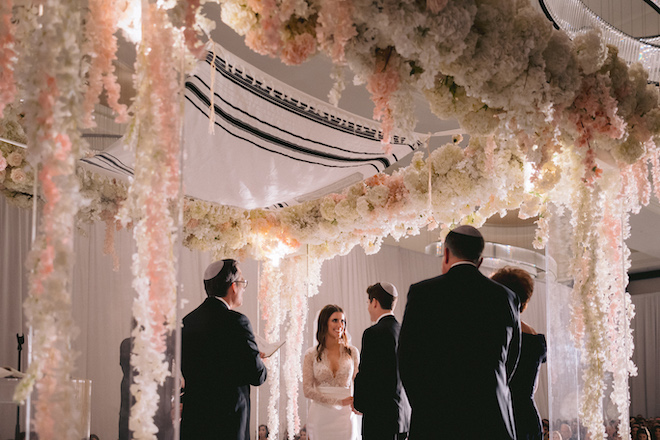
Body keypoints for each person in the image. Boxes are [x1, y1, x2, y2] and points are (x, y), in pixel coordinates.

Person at [398, 225, 521, 439]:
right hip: (490, 416)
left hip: (435, 415)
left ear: (446, 253)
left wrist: (424, 403)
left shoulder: (423, 294)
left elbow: (407, 358)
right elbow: (511, 357)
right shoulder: (506, 297)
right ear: (480, 260)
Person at [181, 259, 268, 440]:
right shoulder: (237, 322)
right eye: (242, 283)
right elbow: (256, 376)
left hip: (195, 419)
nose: (244, 289)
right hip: (228, 422)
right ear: (233, 286)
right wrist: (259, 361)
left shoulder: (187, 321)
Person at [491, 267, 548, 440]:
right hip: (527, 417)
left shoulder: (492, 333)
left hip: (500, 415)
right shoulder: (535, 338)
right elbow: (534, 385)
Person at [353, 282, 410, 440]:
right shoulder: (403, 331)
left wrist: (359, 403)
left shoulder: (373, 333)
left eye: (368, 302)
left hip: (380, 419)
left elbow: (367, 374)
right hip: (402, 417)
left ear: (375, 302)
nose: (368, 307)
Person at [303, 304, 360, 440]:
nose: (340, 324)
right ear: (324, 323)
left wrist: (359, 403)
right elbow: (307, 389)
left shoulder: (352, 352)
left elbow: (358, 381)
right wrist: (337, 402)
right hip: (320, 416)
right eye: (335, 320)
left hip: (346, 417)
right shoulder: (311, 354)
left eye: (343, 321)